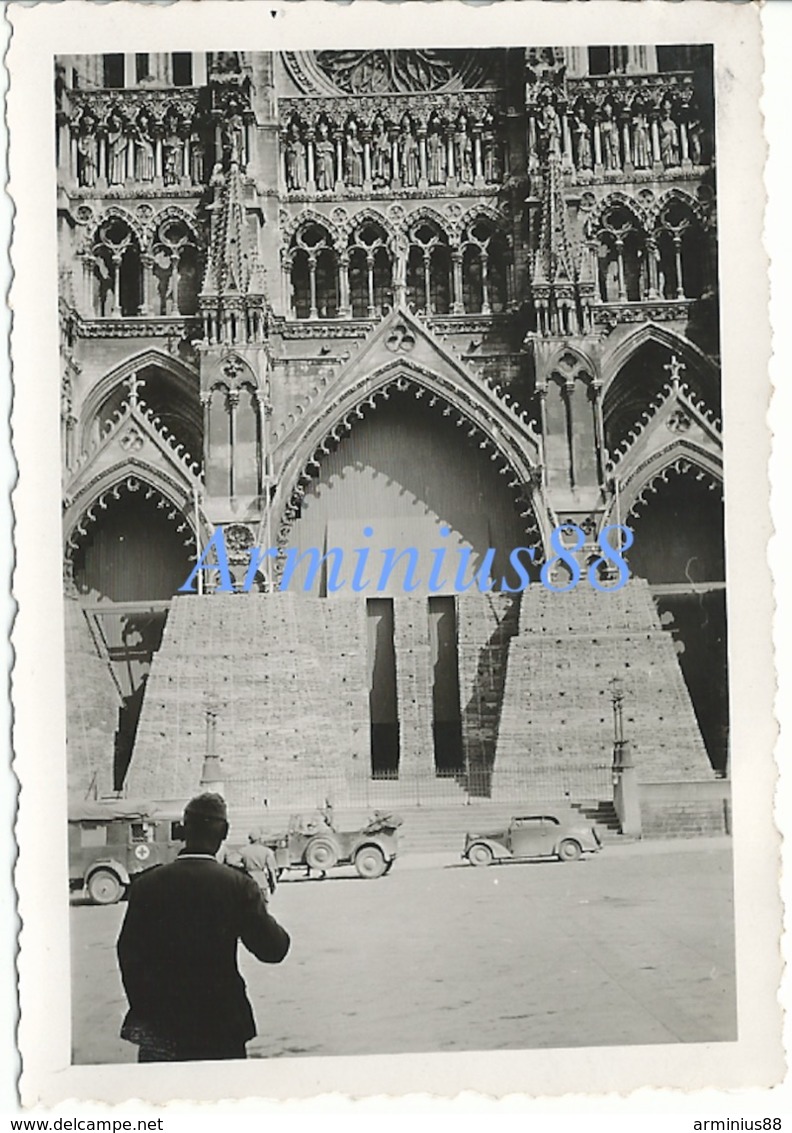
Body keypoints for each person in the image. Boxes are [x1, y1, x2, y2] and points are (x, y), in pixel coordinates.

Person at [117, 792, 290, 1063]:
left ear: (183, 830)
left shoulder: (146, 885)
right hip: (221, 1022)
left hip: (163, 1026)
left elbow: (127, 954)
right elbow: (274, 949)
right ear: (225, 833)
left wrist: (145, 1009)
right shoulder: (238, 886)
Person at [237, 829, 279, 900]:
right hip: (262, 882)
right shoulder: (267, 851)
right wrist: (273, 884)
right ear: (260, 839)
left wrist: (242, 867)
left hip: (248, 881)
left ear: (250, 839)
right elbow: (271, 870)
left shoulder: (243, 851)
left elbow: (232, 861)